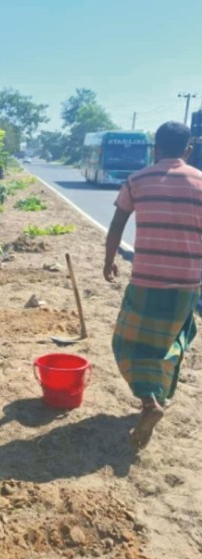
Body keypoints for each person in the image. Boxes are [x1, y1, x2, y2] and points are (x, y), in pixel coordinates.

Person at [104, 121, 202, 450]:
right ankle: (161, 395)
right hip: (188, 282)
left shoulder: (137, 180)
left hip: (147, 279)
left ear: (155, 148)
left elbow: (117, 224)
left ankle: (149, 402)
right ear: (188, 150)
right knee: (172, 342)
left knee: (126, 343)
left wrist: (108, 261)